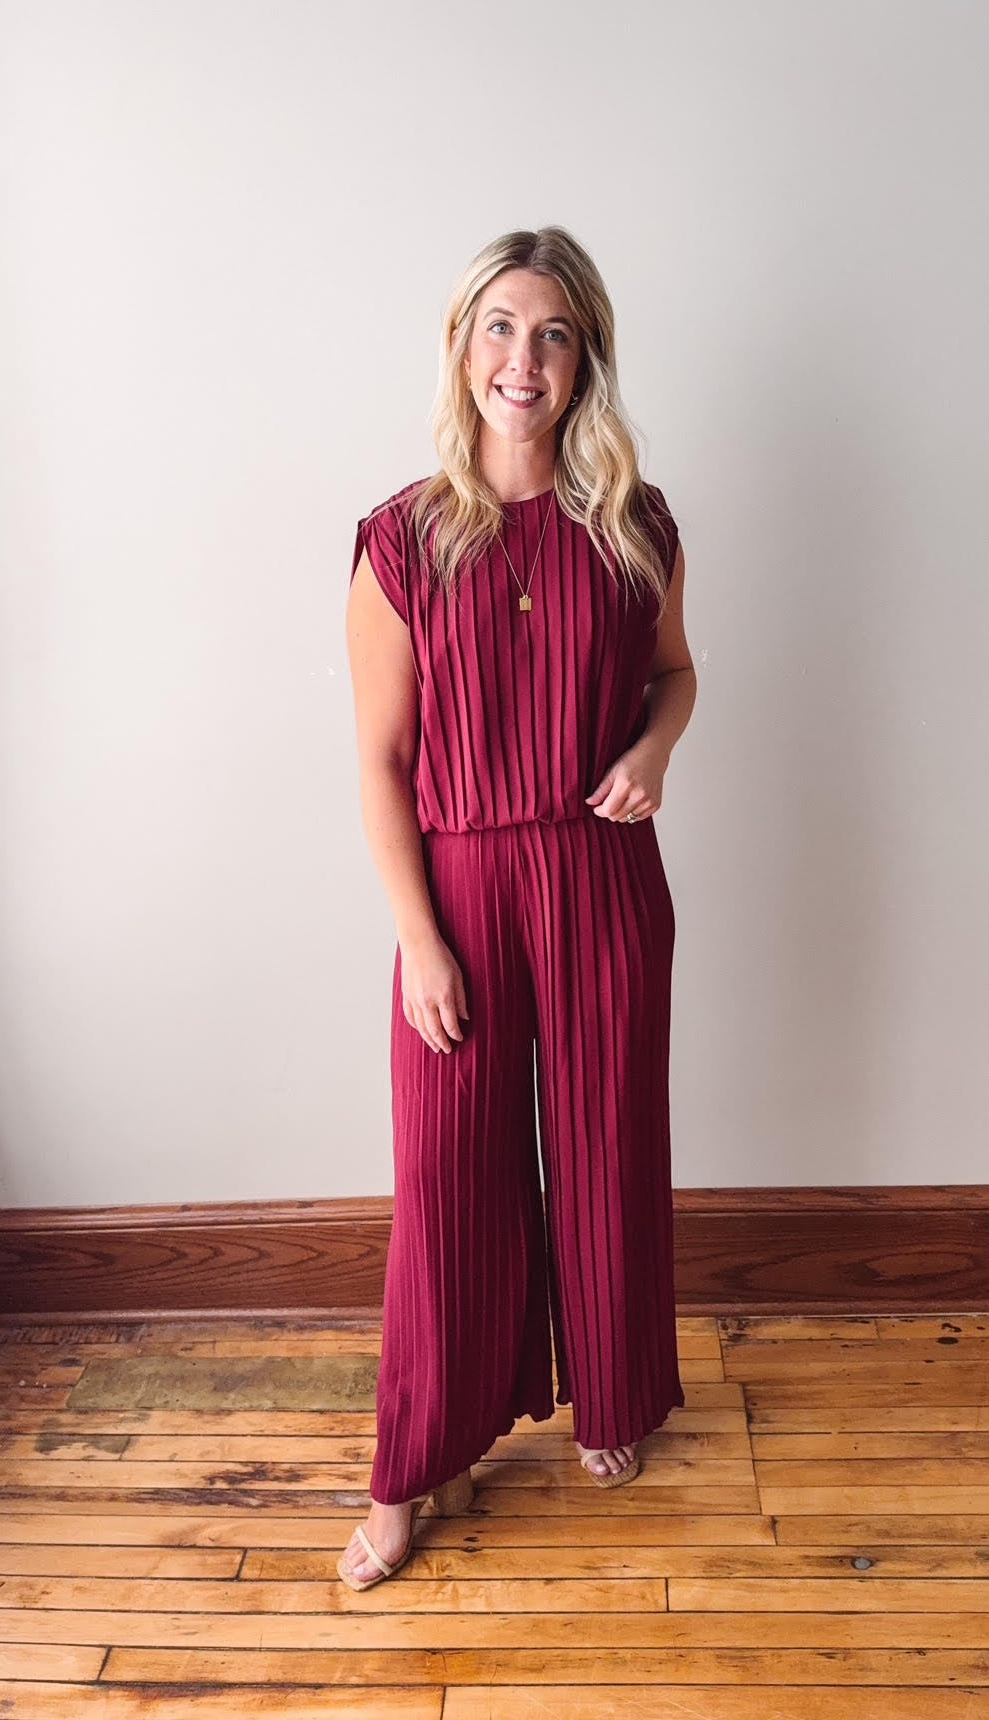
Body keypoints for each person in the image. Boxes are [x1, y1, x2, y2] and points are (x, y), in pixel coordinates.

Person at [340, 225, 696, 1591]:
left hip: (602, 876)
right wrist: (418, 938)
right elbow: (380, 763)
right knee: (447, 1180)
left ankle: (612, 1393)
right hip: (462, 889)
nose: (523, 358)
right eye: (499, 326)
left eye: (552, 332)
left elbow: (674, 675)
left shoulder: (635, 525)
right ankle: (417, 1460)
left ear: (584, 356)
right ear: (461, 347)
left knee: (608, 1145)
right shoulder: (401, 540)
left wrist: (653, 750)